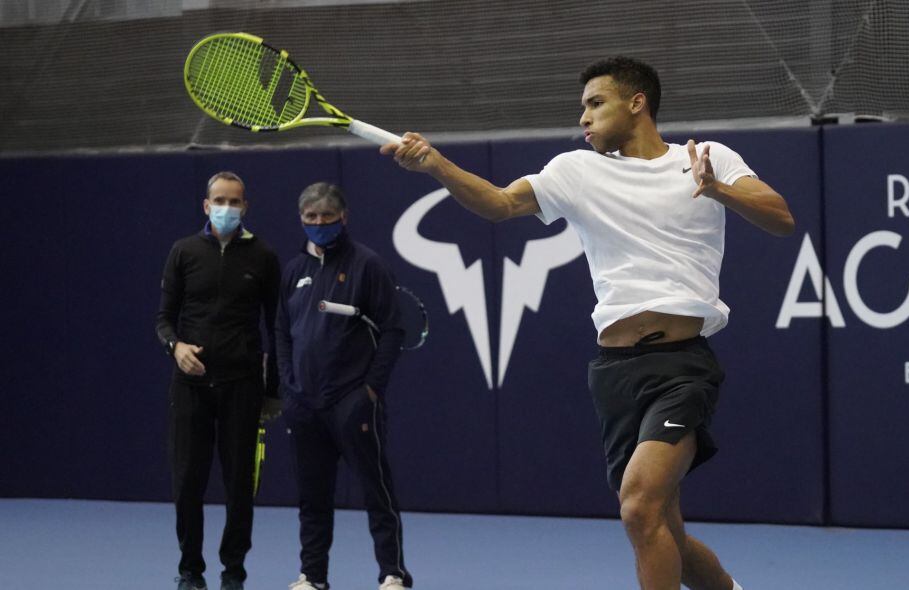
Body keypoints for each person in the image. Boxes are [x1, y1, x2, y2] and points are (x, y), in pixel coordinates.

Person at [380, 57, 794, 590]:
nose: (584, 118)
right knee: (661, 527)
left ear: (636, 103)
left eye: (596, 104)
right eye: (583, 108)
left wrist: (719, 191)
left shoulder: (706, 157)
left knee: (639, 509)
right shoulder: (575, 171)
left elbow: (780, 217)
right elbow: (501, 204)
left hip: (681, 366)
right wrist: (436, 164)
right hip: (614, 373)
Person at [276, 182, 413, 590]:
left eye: (327, 217)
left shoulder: (368, 265)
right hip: (304, 405)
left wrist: (370, 389)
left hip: (353, 402)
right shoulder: (293, 271)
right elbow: (282, 331)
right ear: (302, 220)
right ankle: (312, 576)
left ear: (343, 218)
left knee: (377, 491)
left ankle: (392, 574)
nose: (319, 224)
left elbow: (392, 331)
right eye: (310, 218)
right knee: (312, 498)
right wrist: (288, 383)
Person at [155, 171, 282, 590]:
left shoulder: (263, 255)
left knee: (239, 487)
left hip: (242, 387)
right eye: (219, 200)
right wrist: (176, 347)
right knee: (188, 483)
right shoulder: (183, 252)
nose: (227, 207)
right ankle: (191, 571)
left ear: (246, 207)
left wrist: (272, 390)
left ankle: (233, 574)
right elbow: (163, 319)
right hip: (190, 388)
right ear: (206, 205)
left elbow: (275, 326)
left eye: (235, 201)